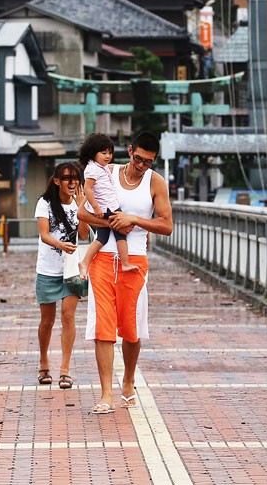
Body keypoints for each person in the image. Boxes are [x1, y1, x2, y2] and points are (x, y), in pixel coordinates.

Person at [77, 131, 173, 414]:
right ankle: (107, 393)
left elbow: (167, 225)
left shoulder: (156, 182)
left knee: (131, 329)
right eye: (139, 159)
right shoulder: (106, 171)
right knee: (102, 327)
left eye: (149, 162)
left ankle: (128, 380)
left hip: (135, 261)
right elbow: (82, 212)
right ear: (130, 151)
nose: (142, 166)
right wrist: (110, 221)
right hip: (104, 259)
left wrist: (132, 219)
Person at [34, 161, 89, 390]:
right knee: (47, 320)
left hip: (71, 269)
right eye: (66, 178)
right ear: (56, 181)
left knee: (68, 316)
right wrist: (61, 244)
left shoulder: (79, 204)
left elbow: (84, 234)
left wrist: (83, 208)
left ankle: (65, 369)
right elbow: (44, 235)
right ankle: (44, 361)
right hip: (48, 268)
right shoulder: (44, 203)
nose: (72, 182)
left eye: (75, 178)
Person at [77, 133, 137, 277]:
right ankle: (125, 263)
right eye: (103, 153)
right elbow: (87, 189)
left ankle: (85, 262)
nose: (108, 156)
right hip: (108, 207)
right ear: (92, 153)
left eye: (110, 153)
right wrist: (96, 207)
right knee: (121, 234)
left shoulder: (99, 167)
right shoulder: (92, 169)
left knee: (101, 238)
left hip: (107, 205)